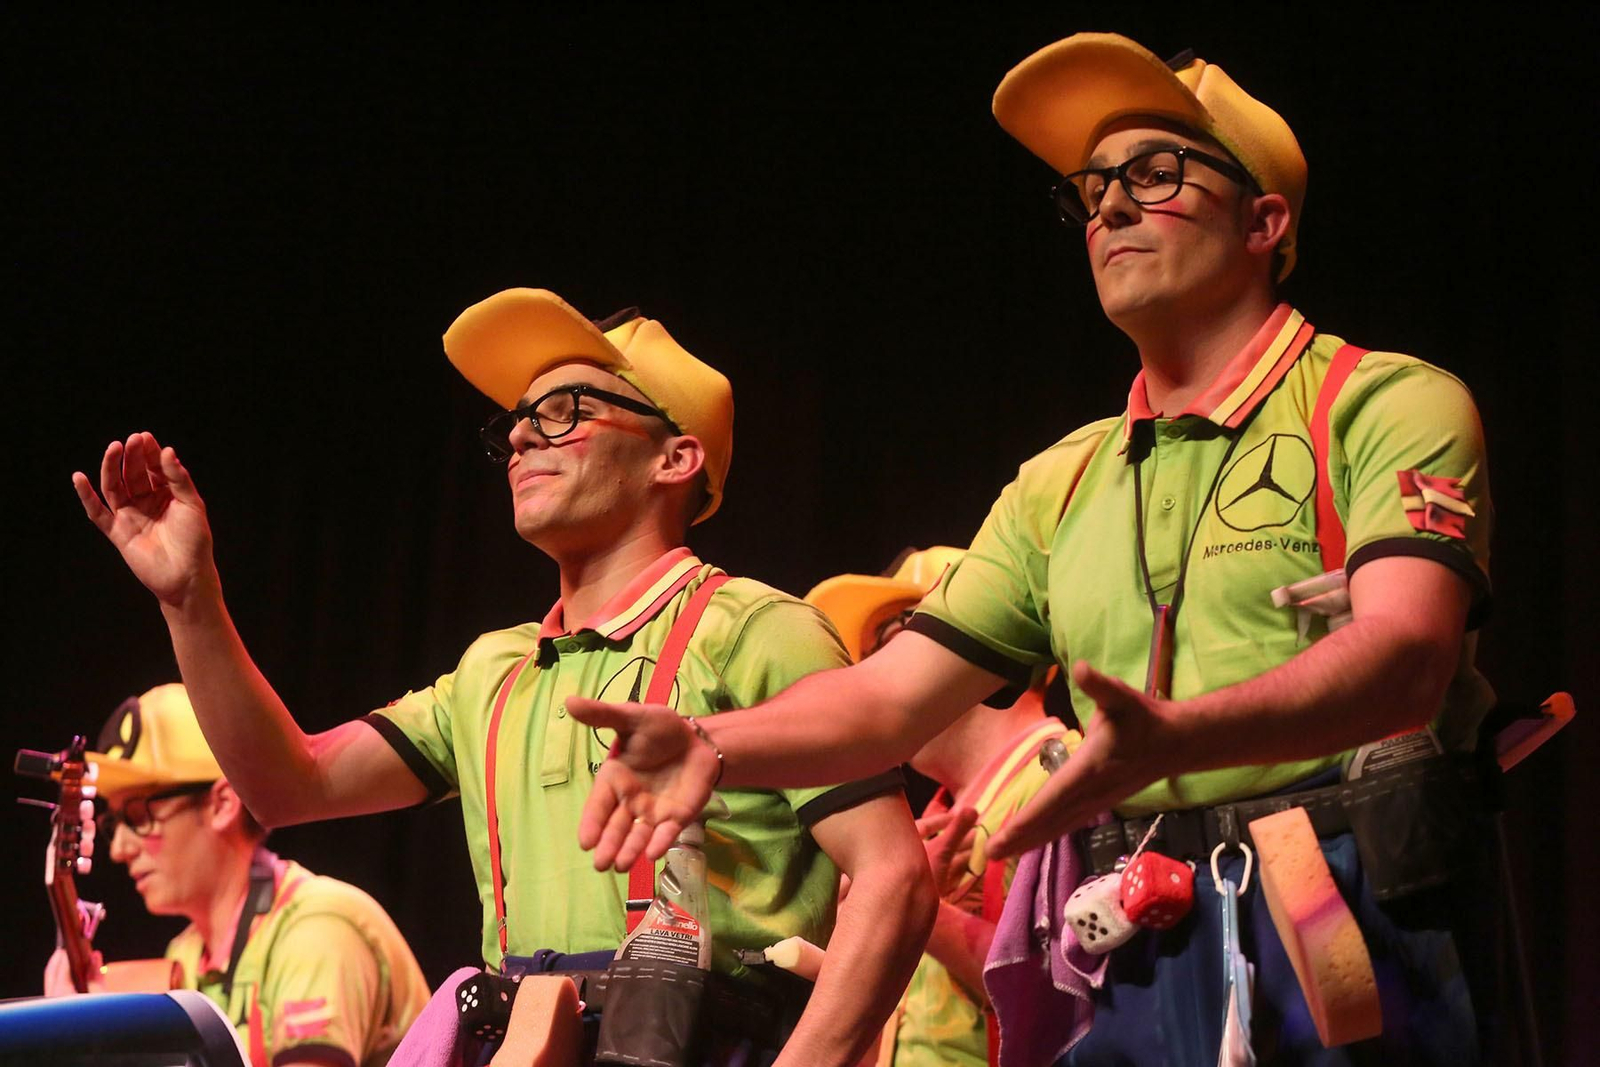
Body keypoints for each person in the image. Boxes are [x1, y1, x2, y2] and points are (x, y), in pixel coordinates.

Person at [569, 33, 1497, 1065]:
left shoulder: (1378, 401)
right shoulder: (1062, 481)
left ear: (1263, 220)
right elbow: (887, 700)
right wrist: (714, 740)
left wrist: (1176, 735)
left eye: (1155, 174)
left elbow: (1407, 654)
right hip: (1140, 938)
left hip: (1340, 917)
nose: (1107, 208)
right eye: (1092, 189)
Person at [72, 289, 934, 1067]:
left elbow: (894, 878)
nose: (521, 434)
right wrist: (192, 600)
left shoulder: (759, 631)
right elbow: (288, 786)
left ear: (675, 459)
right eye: (519, 420)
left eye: (566, 412)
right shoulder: (494, 668)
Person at [43, 683, 428, 1067]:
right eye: (114, 823)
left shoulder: (317, 929)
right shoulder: (186, 955)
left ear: (223, 803)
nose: (118, 849)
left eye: (139, 815)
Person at [806, 548, 1072, 1067]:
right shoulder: (928, 824)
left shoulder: (1064, 781)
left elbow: (1073, 992)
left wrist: (910, 908)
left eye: (889, 645)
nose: (873, 679)